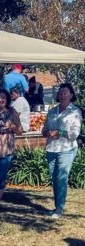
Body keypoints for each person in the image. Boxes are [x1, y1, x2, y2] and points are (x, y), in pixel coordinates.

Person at [41, 83, 82, 219]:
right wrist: (48, 133)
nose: (63, 94)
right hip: (52, 148)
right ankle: (57, 206)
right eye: (61, 92)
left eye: (66, 92)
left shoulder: (75, 111)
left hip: (67, 148)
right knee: (55, 178)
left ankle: (59, 209)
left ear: (71, 95)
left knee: (61, 178)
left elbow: (75, 134)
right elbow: (44, 130)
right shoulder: (52, 111)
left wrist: (60, 132)